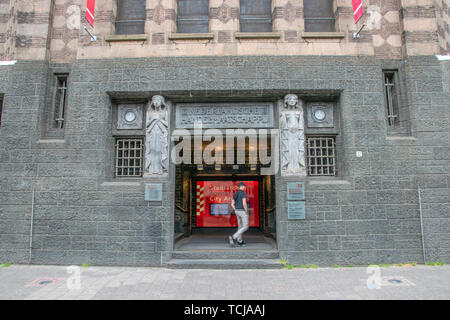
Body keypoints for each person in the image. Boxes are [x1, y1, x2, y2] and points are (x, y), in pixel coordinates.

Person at [229, 182, 249, 247]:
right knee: (245, 226)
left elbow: (232, 204)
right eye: (245, 186)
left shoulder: (236, 194)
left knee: (240, 226)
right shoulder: (243, 193)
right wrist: (246, 211)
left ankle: (240, 241)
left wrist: (235, 209)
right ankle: (233, 237)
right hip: (242, 211)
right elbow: (244, 203)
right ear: (242, 186)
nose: (245, 188)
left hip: (237, 211)